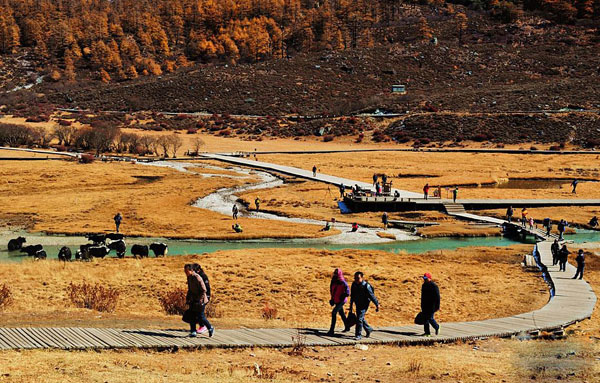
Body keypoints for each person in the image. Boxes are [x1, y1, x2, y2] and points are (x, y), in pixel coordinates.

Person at [184, 264, 214, 337]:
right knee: (192, 316)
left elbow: (204, 290)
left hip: (201, 300)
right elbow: (190, 289)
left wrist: (200, 300)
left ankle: (210, 328)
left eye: (186, 271)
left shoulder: (197, 277)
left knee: (201, 316)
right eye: (184, 271)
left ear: (191, 270)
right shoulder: (189, 277)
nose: (185, 272)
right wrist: (188, 298)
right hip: (193, 299)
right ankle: (193, 331)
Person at [349, 271, 379, 340]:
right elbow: (352, 296)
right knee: (360, 318)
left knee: (359, 319)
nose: (356, 280)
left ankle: (358, 335)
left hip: (364, 304)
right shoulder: (354, 284)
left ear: (362, 278)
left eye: (358, 278)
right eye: (355, 278)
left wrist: (377, 304)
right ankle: (368, 329)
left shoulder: (366, 286)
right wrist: (351, 305)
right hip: (357, 303)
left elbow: (372, 296)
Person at [327, 268, 350, 336]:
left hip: (341, 300)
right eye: (335, 273)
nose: (335, 274)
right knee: (342, 313)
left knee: (334, 312)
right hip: (336, 300)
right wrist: (332, 299)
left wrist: (343, 295)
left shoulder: (343, 282)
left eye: (337, 273)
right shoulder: (333, 281)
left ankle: (331, 330)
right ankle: (347, 326)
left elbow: (348, 292)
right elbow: (332, 291)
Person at [193, 264, 211, 334]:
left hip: (204, 297)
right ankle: (203, 326)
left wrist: (207, 297)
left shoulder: (203, 276)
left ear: (198, 270)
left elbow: (206, 288)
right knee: (197, 313)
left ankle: (206, 326)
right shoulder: (195, 276)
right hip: (198, 297)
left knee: (200, 314)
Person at [420, 272, 440, 336]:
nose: (424, 280)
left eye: (426, 278)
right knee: (425, 319)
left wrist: (437, 306)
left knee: (430, 318)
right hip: (425, 305)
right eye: (424, 278)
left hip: (432, 306)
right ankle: (427, 333)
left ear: (430, 278)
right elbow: (422, 296)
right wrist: (422, 305)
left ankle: (437, 327)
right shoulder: (423, 285)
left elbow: (437, 297)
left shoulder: (434, 286)